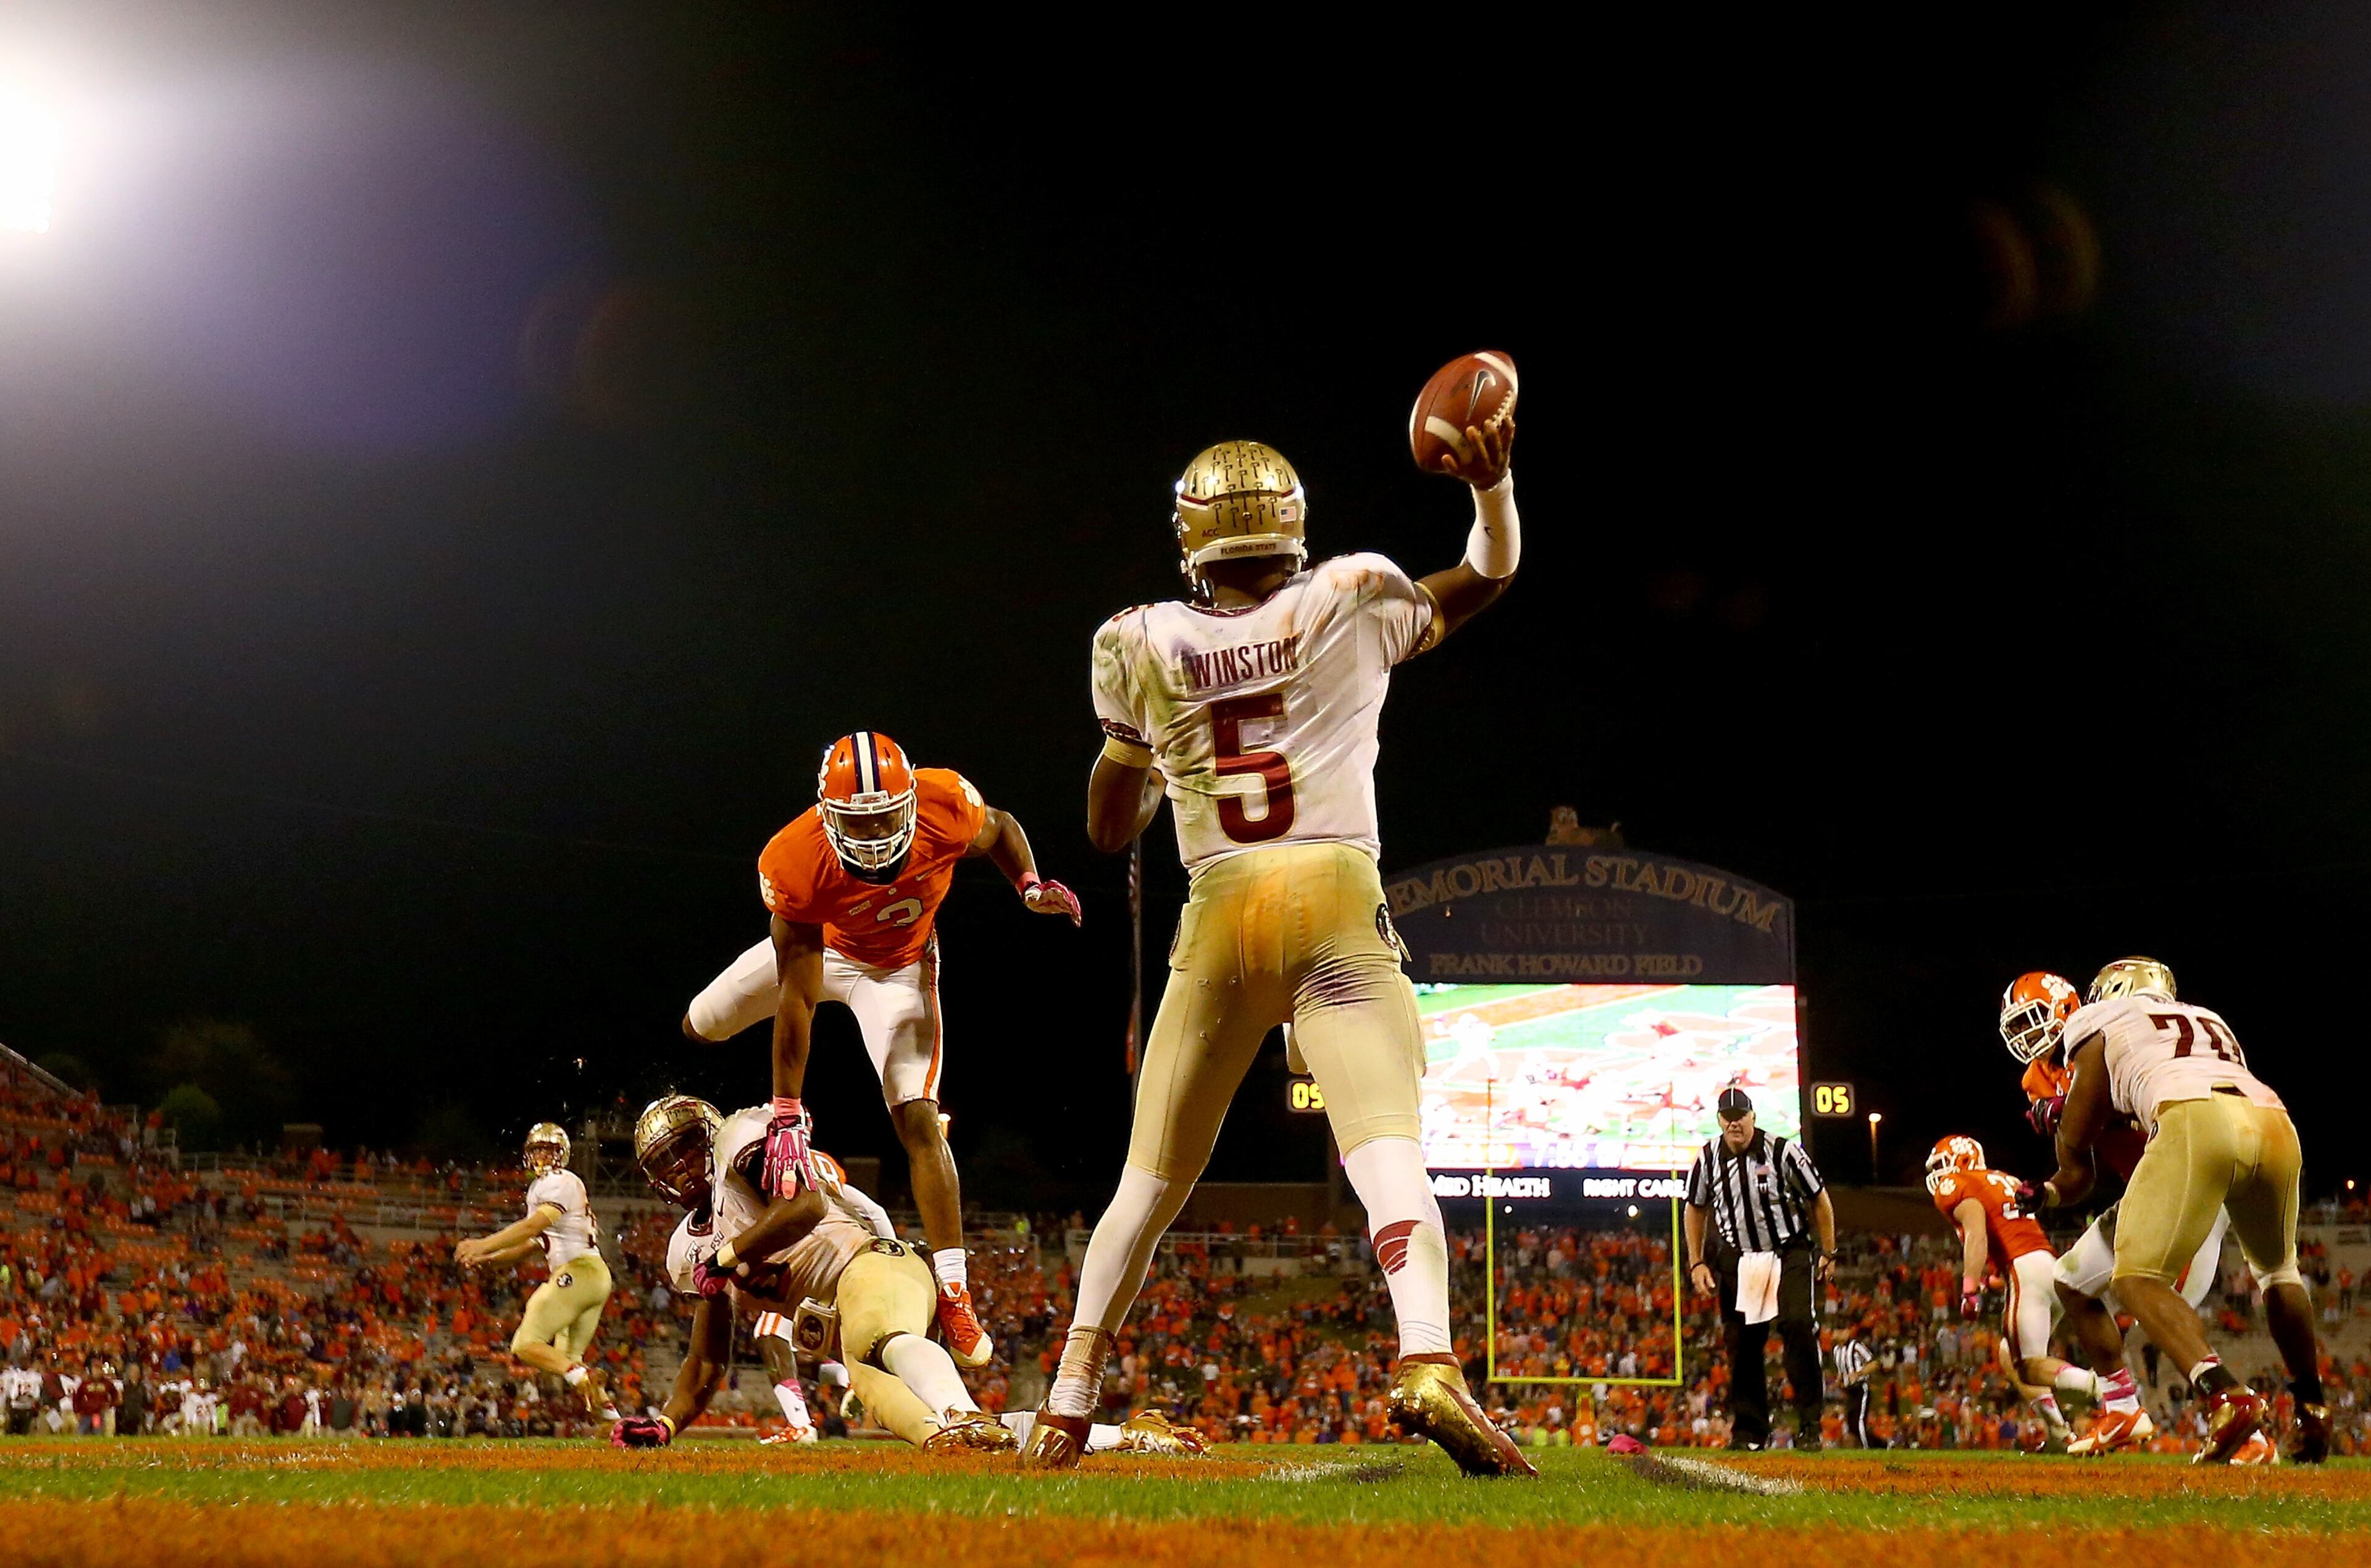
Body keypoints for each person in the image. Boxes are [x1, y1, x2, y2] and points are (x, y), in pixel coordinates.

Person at [1029, 420, 1528, 1475]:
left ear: (1190, 539)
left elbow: (1108, 827)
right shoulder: (1349, 593)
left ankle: (1068, 1401)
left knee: (1149, 1183)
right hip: (1336, 893)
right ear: (1293, 528)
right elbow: (1488, 575)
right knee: (1389, 1150)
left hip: (1220, 909)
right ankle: (1428, 1358)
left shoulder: (1138, 640)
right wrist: (1491, 487)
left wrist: (1151, 752)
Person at [681, 730, 1080, 1367]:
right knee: (700, 1023)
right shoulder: (794, 857)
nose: (872, 838)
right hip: (825, 954)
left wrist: (1027, 883)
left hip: (898, 968)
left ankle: (954, 1289)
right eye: (856, 823)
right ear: (826, 815)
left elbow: (1000, 826)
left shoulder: (946, 800)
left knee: (918, 1116)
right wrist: (787, 1109)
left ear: (912, 799)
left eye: (885, 818)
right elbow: (798, 997)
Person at [609, 1094, 1029, 1455]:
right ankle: (960, 1438)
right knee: (877, 1390)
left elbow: (806, 1207)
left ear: (709, 1136)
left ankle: (965, 1414)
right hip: (843, 1323)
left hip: (871, 1264)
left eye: (683, 1147)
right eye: (663, 1162)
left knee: (875, 1338)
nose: (677, 1168)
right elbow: (706, 1359)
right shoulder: (686, 1251)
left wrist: (728, 1255)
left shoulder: (738, 1157)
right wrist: (666, 1423)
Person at [2037, 956, 2330, 1464]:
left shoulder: (2096, 1021)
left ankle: (2227, 1395)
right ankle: (2314, 1410)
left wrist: (2061, 1124)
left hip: (2196, 1119)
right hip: (2273, 1120)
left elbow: (2079, 1137)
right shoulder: (2207, 1017)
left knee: (2137, 1278)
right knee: (2280, 1274)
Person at [1997, 970, 2195, 1454]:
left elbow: (2133, 1104)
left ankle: (2244, 1423)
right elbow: (2079, 1169)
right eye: (2017, 1026)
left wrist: (2072, 1106)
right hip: (2147, 1190)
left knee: (2167, 1306)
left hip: (2189, 1178)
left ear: (2068, 1010)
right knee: (2072, 1279)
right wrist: (2044, 1193)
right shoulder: (2041, 1076)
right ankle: (2123, 1410)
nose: (2026, 1036)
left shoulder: (2106, 1040)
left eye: (2034, 1020)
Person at [1923, 1134, 2105, 1451]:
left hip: (2025, 1270)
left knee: (2027, 1364)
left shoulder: (1957, 1184)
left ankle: (2103, 1389)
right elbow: (2009, 1233)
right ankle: (2060, 1434)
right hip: (2049, 1266)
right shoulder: (2005, 1180)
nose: (1939, 1174)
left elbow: (1976, 1233)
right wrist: (1990, 1281)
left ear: (1961, 1161)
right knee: (2009, 1355)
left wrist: (1968, 1290)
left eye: (1942, 1164)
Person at [1683, 1086, 1834, 1450]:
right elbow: (1695, 1207)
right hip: (1739, 1257)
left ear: (1753, 1117)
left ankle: (1810, 1425)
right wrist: (1697, 1261)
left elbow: (1819, 1200)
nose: (1734, 1123)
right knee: (1743, 1345)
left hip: (1788, 1251)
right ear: (1719, 1120)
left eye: (1741, 1116)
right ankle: (1750, 1432)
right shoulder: (1707, 1159)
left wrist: (1829, 1251)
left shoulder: (1783, 1152)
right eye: (1727, 1117)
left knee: (1798, 1326)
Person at [453, 1123, 618, 1424]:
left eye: (548, 1150)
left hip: (579, 1272)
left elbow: (532, 1228)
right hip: (592, 1277)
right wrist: (489, 1260)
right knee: (567, 1359)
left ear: (562, 1155)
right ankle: (615, 1422)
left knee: (526, 1343)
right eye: (536, 1149)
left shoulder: (560, 1181)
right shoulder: (550, 1187)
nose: (542, 1156)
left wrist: (481, 1244)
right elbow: (532, 1245)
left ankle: (584, 1377)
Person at [1832, 1322, 1878, 1448]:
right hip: (1849, 1390)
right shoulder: (1836, 1350)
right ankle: (1881, 1445)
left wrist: (1859, 1373)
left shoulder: (1856, 1346)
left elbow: (1874, 1363)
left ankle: (1867, 1449)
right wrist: (1840, 1380)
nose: (1838, 1334)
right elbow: (1842, 1371)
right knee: (1852, 1425)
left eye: (1841, 1331)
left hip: (1861, 1387)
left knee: (1859, 1422)